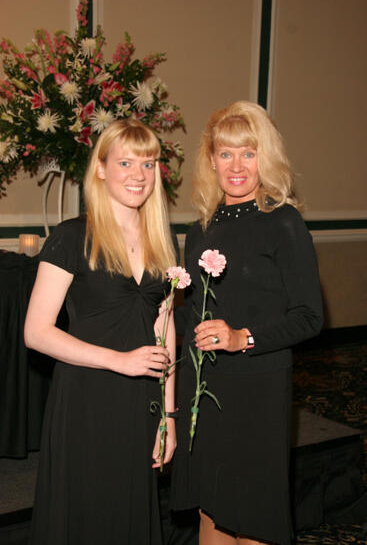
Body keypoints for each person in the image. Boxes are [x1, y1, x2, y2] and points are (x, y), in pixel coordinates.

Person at [170, 101, 323, 545]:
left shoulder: (283, 222)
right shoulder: (201, 228)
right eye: (225, 153)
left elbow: (310, 317)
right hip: (205, 384)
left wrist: (243, 338)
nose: (236, 166)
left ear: (266, 158)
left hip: (258, 387)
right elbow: (196, 311)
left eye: (248, 153)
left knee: (253, 514)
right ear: (211, 159)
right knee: (211, 508)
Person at [24, 119, 178, 545]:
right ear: (101, 168)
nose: (138, 175)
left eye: (148, 164)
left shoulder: (162, 240)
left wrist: (168, 415)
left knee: (128, 507)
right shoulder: (73, 237)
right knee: (87, 510)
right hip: (87, 396)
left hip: (142, 398)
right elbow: (35, 332)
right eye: (126, 162)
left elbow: (164, 325)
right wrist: (121, 361)